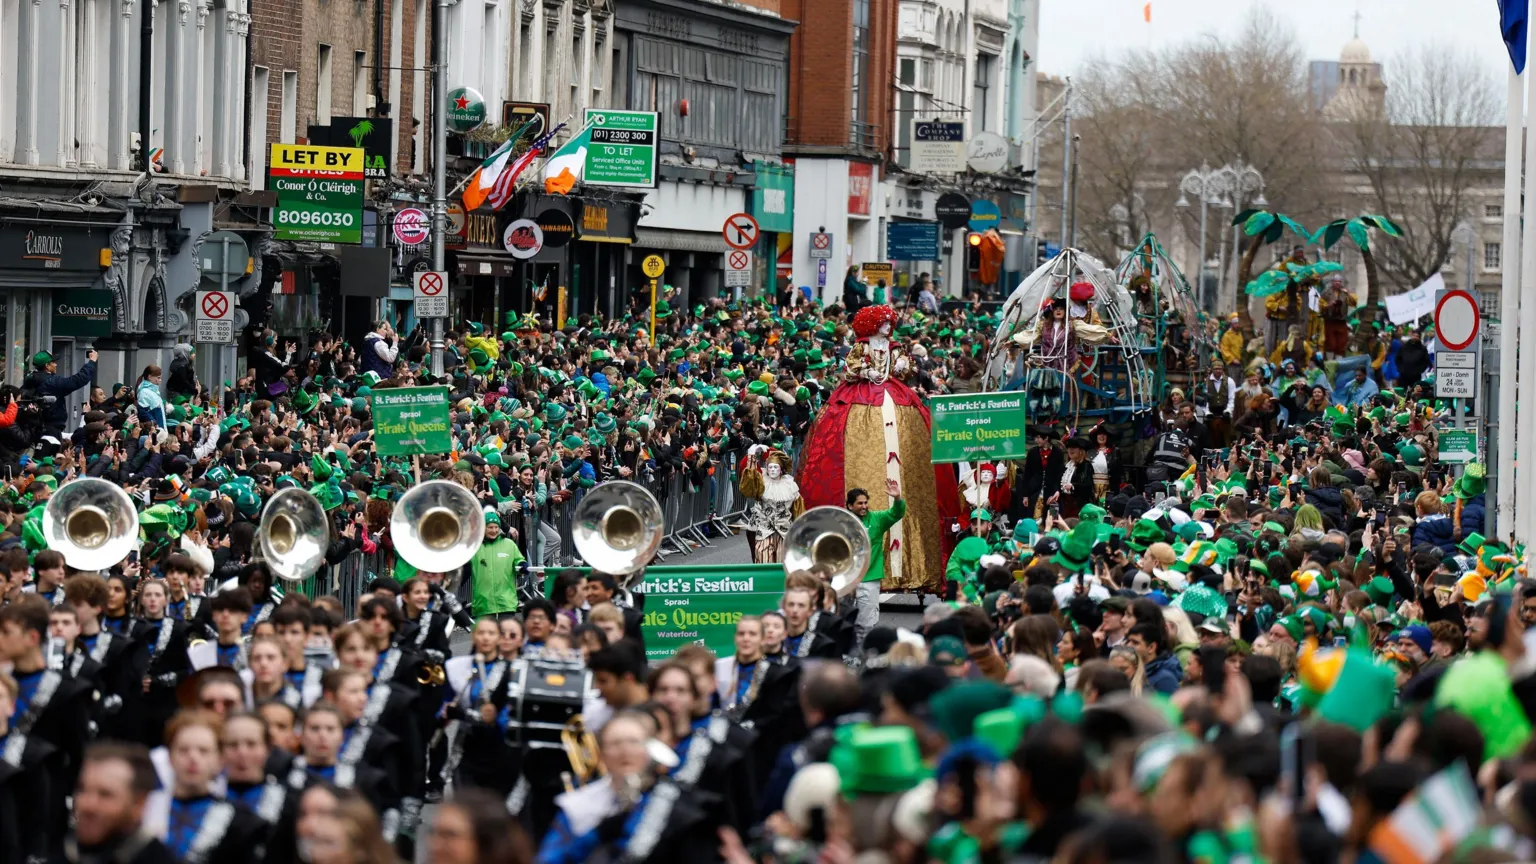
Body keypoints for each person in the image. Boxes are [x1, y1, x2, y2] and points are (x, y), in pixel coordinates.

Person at [850, 480, 906, 647]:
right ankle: (846, 654)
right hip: (846, 580)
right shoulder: (842, 520)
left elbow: (896, 514)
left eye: (866, 502)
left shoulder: (877, 519)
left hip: (869, 578)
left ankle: (862, 653)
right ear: (850, 505)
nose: (864, 506)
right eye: (860, 503)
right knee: (845, 621)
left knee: (866, 622)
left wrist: (897, 499)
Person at [26, 347, 97, 435]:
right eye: (53, 362)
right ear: (47, 366)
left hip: (37, 426)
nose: (56, 365)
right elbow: (78, 380)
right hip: (51, 428)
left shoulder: (32, 379)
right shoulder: (51, 382)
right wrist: (91, 362)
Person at [470, 510, 526, 620]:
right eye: (490, 527)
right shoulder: (474, 547)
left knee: (507, 637)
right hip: (483, 603)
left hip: (506, 603)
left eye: (496, 527)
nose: (494, 530)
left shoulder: (509, 544)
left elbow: (518, 560)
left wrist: (522, 565)